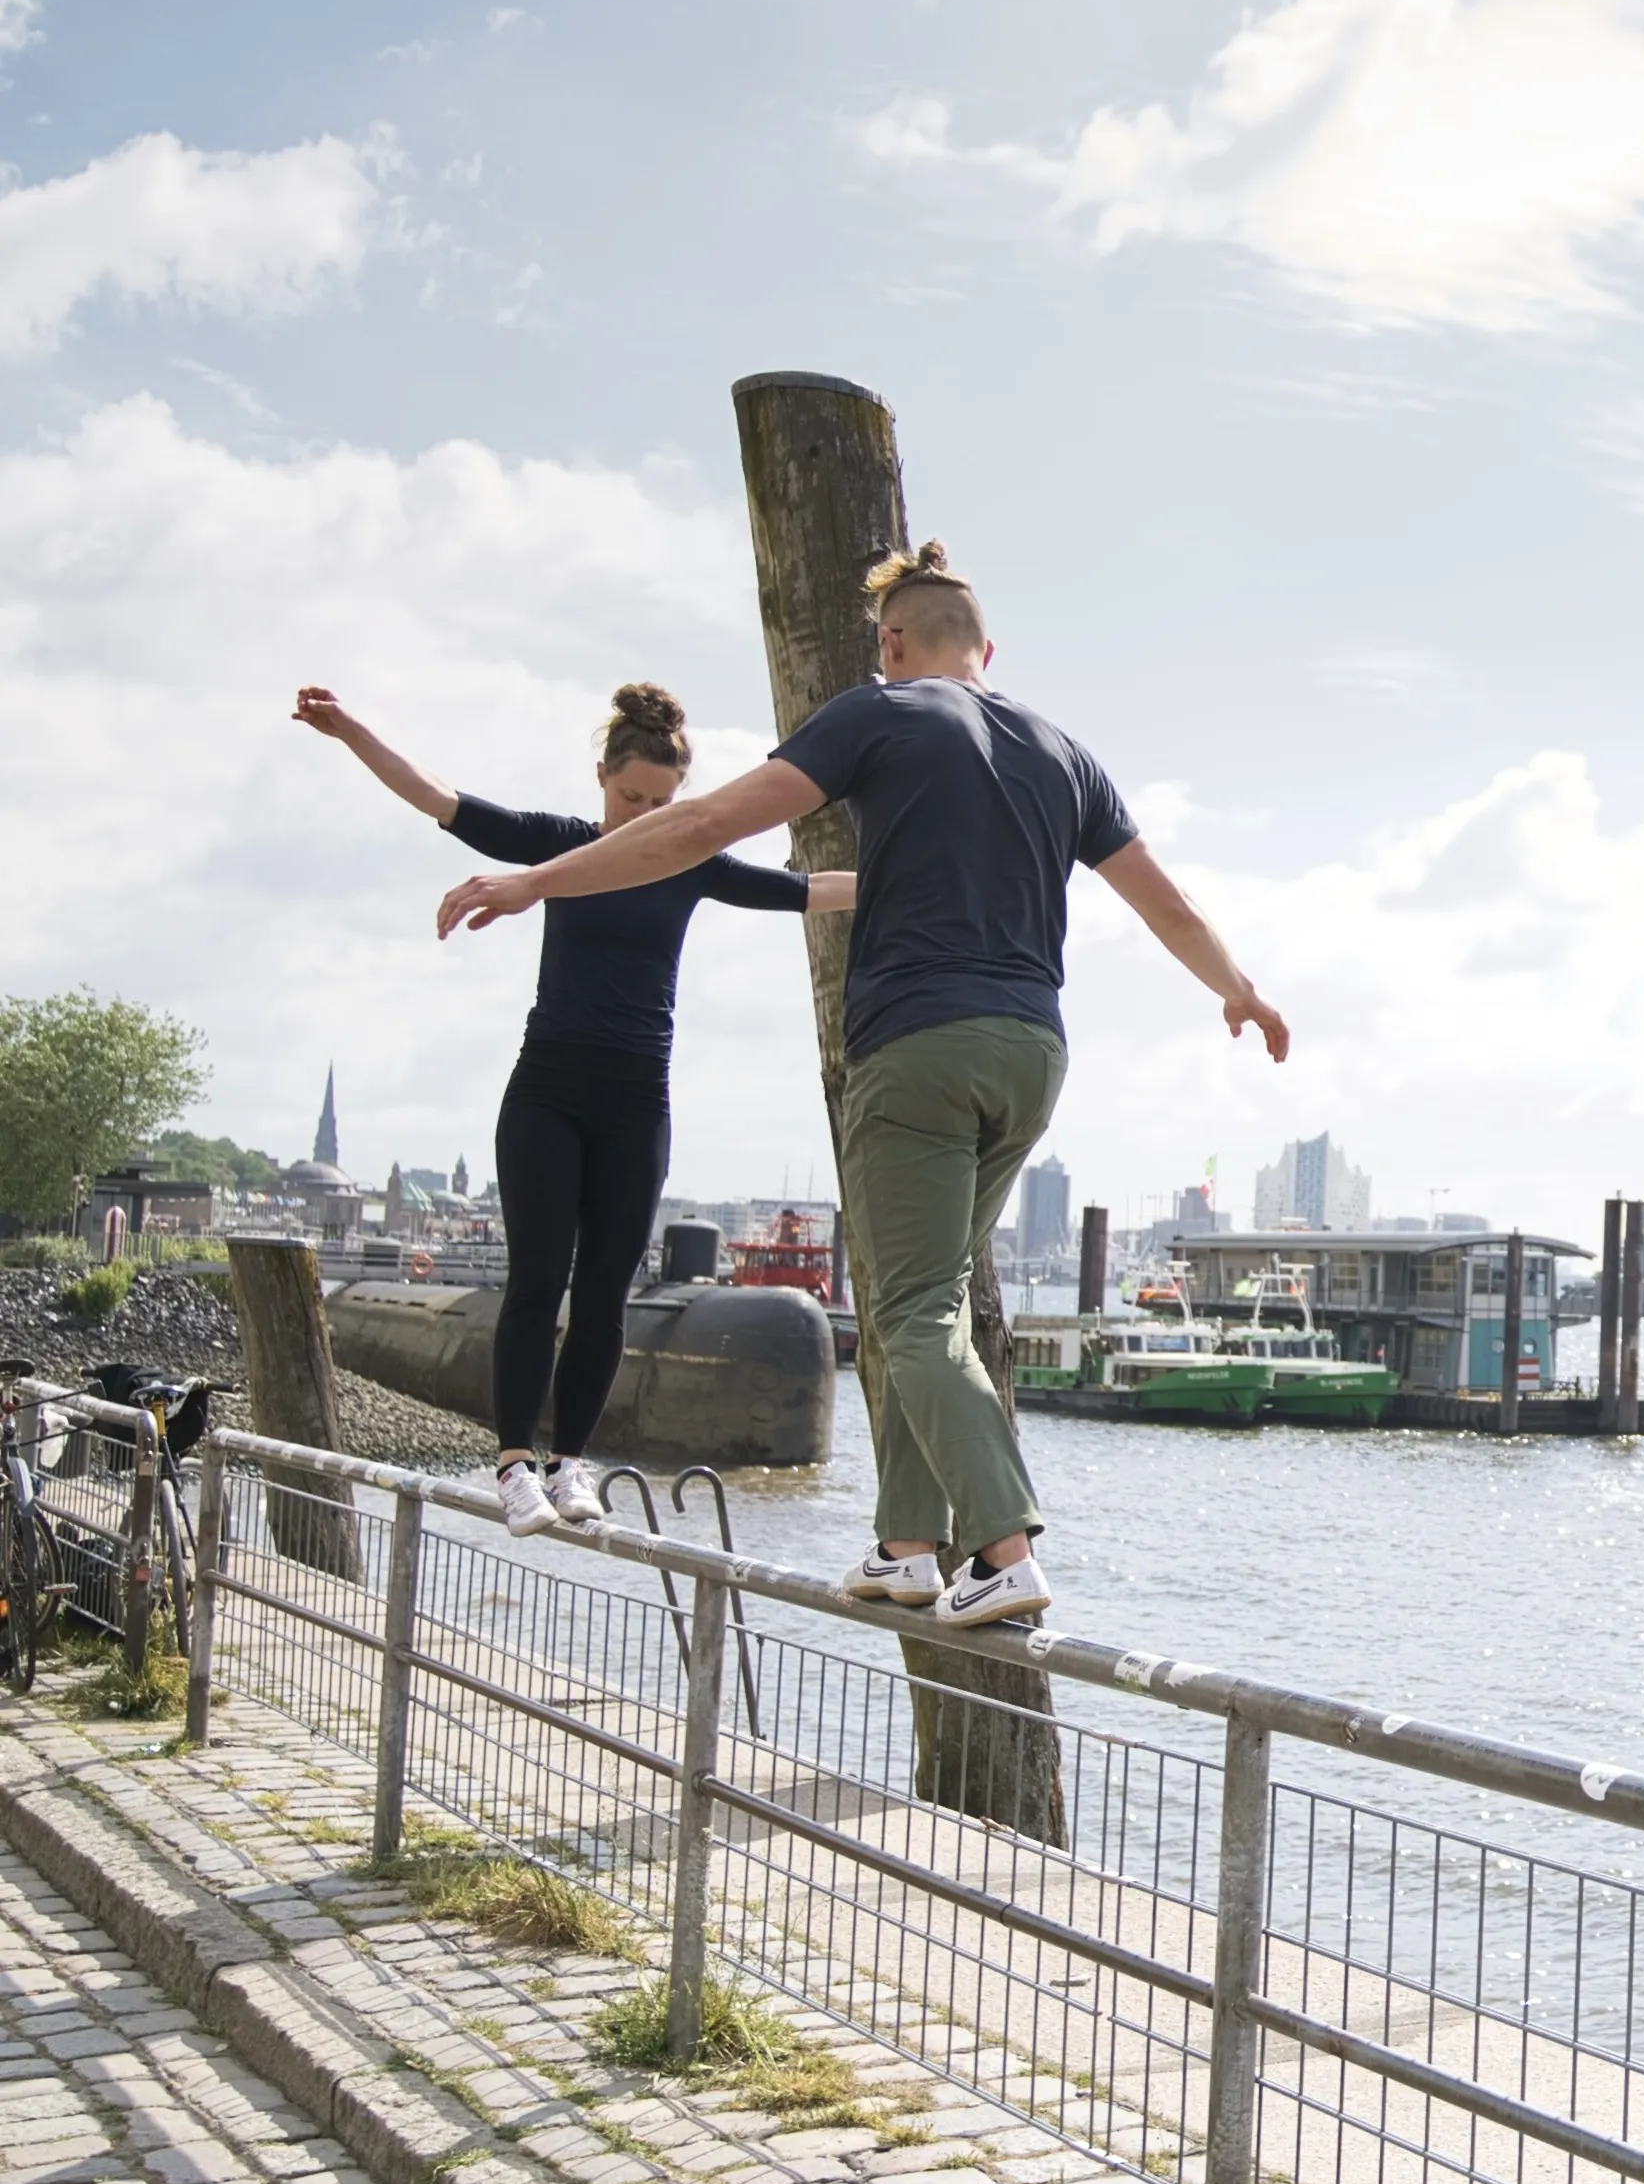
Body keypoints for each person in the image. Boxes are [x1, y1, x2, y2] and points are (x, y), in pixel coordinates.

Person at [432, 543, 1290, 1628]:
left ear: (891, 646)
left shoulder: (875, 715)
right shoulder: (1067, 753)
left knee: (915, 1310)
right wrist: (1239, 990)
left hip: (917, 1050)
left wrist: (533, 885)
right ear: (987, 648)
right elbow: (1163, 903)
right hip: (1031, 1054)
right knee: (910, 1301)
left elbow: (693, 830)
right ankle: (905, 1546)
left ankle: (1003, 1548)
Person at [296, 681, 851, 1535]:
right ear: (601, 776)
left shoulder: (690, 859)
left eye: (662, 804)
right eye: (631, 798)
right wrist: (349, 731)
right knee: (536, 1280)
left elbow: (810, 892)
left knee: (604, 1296)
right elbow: (438, 801)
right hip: (547, 1092)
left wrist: (933, 877)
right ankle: (515, 1465)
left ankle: (570, 1467)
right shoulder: (560, 847)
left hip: (637, 1102)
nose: (644, 817)